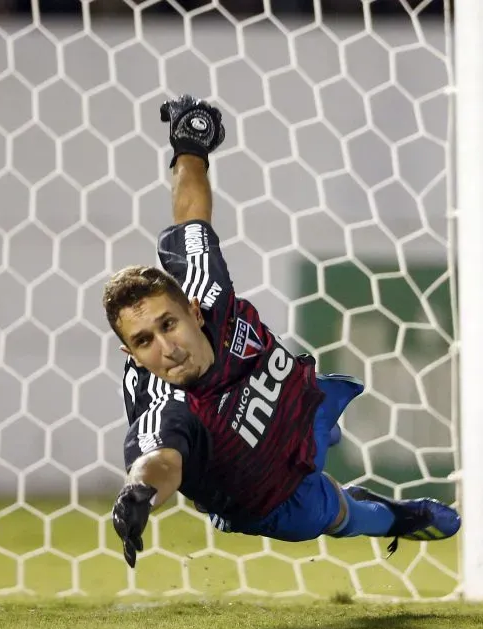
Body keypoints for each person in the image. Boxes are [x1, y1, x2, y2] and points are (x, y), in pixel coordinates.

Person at [104, 95, 461, 569]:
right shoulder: (164, 407)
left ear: (192, 309)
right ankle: (392, 517)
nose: (165, 349)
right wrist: (140, 494)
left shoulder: (207, 286)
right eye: (143, 341)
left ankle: (339, 472)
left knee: (324, 428)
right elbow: (161, 461)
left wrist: (190, 147)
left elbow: (191, 214)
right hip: (262, 493)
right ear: (130, 351)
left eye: (167, 324)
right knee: (336, 513)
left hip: (296, 403)